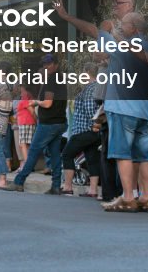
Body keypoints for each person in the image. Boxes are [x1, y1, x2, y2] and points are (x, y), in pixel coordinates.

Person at [55, 0, 148, 212]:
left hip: (122, 107)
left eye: (118, 3)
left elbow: (93, 32)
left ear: (130, 7)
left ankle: (128, 196)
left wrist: (67, 17)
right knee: (143, 154)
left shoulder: (120, 42)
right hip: (144, 108)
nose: (114, 7)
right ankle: (147, 196)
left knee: (121, 152)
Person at [10, 55, 67, 194]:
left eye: (49, 64)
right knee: (55, 155)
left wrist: (35, 102)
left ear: (56, 64)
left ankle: (19, 181)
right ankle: (56, 185)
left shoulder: (50, 82)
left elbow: (48, 103)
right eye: (44, 64)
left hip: (48, 123)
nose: (46, 67)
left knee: (33, 152)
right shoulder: (61, 79)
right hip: (59, 122)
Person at [61, 63, 102, 197]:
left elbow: (91, 109)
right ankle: (93, 190)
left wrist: (94, 123)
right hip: (92, 131)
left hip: (84, 129)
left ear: (87, 72)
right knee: (92, 158)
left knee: (67, 154)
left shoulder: (90, 88)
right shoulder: (98, 87)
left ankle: (67, 187)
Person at [14, 86, 36, 166]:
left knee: (22, 143)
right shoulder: (28, 94)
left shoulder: (24, 95)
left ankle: (27, 164)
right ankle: (30, 163)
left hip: (24, 122)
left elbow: (31, 110)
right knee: (28, 143)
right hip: (30, 122)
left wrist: (36, 120)